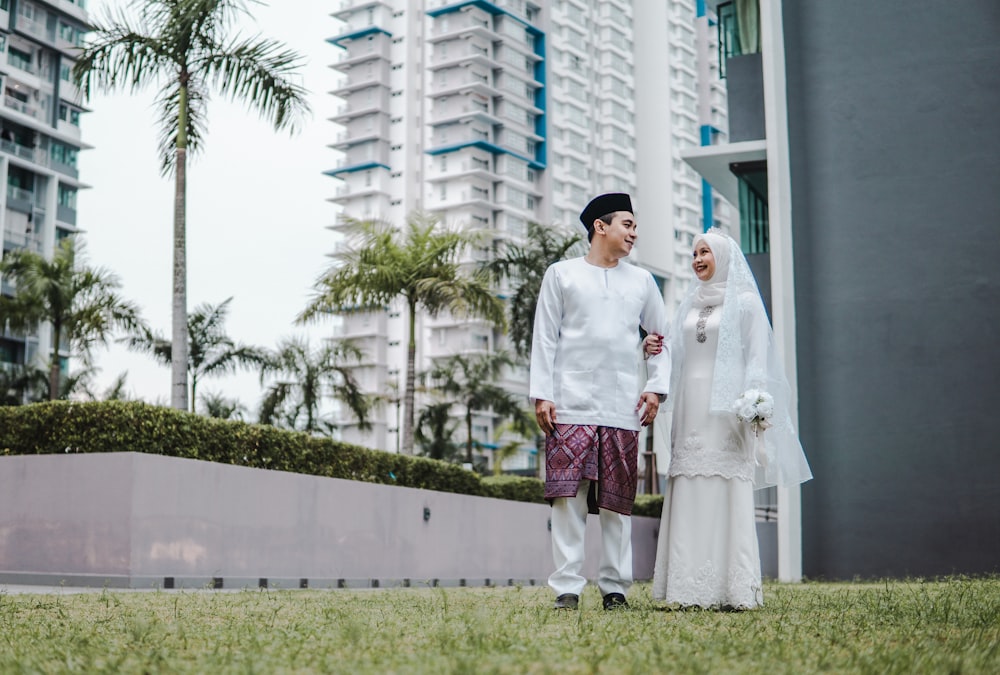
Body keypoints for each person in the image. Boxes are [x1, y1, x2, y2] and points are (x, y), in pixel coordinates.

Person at [645, 229, 812, 610]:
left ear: (723, 255)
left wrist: (753, 402)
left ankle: (734, 589)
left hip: (727, 409)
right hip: (690, 406)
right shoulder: (687, 305)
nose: (698, 259)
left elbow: (757, 358)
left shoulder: (746, 302)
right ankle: (686, 588)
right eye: (694, 254)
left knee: (725, 490)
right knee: (689, 485)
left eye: (705, 252)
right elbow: (673, 350)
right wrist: (653, 346)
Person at [529, 192, 671, 611]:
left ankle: (615, 588)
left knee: (616, 502)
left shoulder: (643, 281)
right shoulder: (561, 274)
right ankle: (566, 588)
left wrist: (656, 386)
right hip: (569, 403)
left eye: (635, 226)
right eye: (627, 224)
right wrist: (543, 394)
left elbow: (661, 340)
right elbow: (544, 337)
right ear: (600, 226)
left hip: (623, 405)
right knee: (567, 498)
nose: (634, 233)